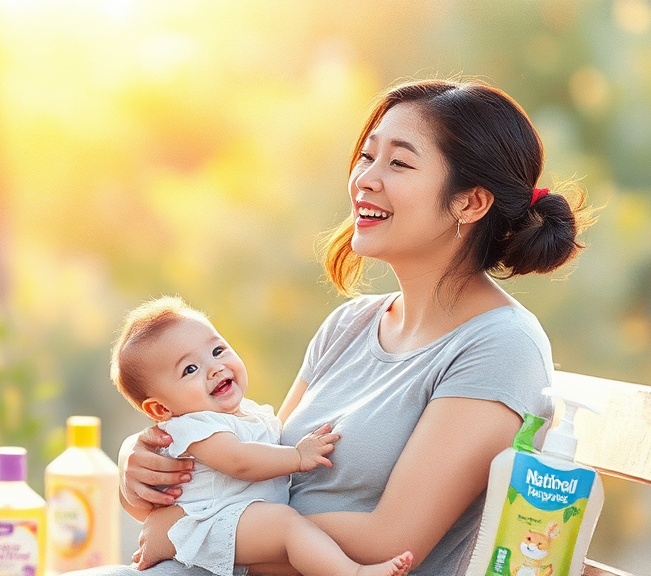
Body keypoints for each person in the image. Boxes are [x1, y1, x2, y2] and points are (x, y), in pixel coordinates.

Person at [71, 77, 595, 576]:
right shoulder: (351, 323)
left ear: (470, 202)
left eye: (399, 163)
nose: (365, 178)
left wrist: (199, 534)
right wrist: (144, 474)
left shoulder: (499, 347)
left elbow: (391, 541)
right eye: (367, 156)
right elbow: (257, 471)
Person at [109, 296, 414, 576]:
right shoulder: (194, 427)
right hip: (211, 523)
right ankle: (353, 573)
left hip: (238, 520)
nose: (215, 368)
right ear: (161, 408)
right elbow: (239, 461)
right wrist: (297, 456)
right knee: (286, 526)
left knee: (286, 528)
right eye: (190, 369)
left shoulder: (250, 413)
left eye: (217, 351)